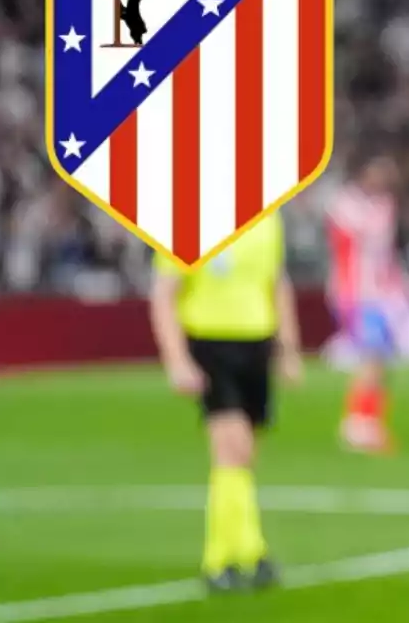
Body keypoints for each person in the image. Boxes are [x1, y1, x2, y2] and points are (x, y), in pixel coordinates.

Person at [149, 210, 303, 592]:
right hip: (211, 343)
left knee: (246, 455)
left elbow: (277, 283)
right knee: (230, 449)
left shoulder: (268, 219)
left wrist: (288, 347)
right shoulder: (187, 220)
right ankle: (219, 558)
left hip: (257, 343)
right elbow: (164, 294)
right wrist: (177, 360)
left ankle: (251, 549)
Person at [329, 146, 409, 453]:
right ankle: (359, 423)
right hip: (357, 293)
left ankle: (366, 420)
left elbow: (386, 254)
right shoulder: (345, 206)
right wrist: (347, 296)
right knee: (371, 357)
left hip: (381, 294)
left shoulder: (385, 205)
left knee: (381, 359)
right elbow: (344, 255)